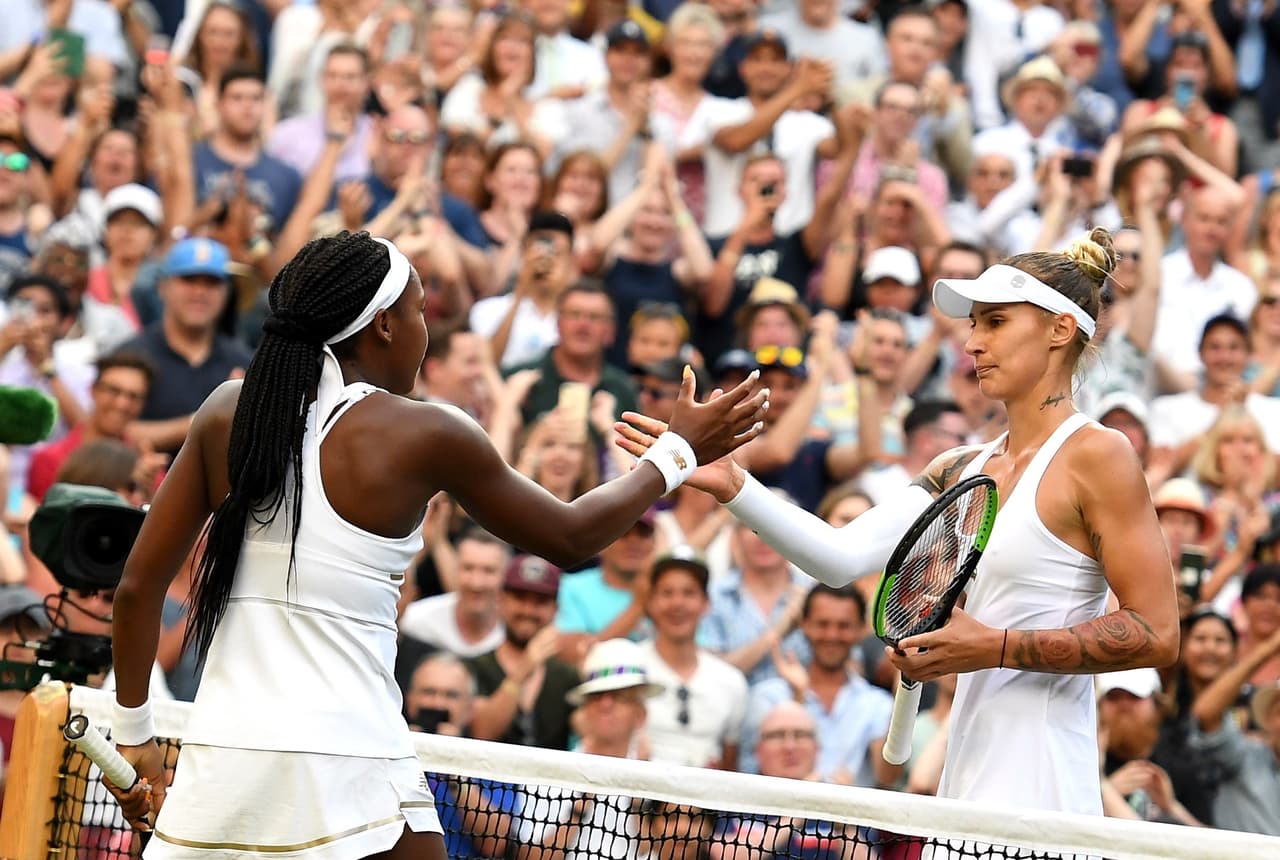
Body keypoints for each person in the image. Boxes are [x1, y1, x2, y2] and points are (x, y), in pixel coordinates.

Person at [107, 230, 768, 855]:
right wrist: (677, 453)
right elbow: (571, 537)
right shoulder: (425, 432)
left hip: (223, 761)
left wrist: (134, 733)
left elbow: (136, 591)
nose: (427, 335)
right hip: (352, 763)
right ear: (385, 324)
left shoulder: (224, 411)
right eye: (423, 312)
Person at [618, 227, 1180, 816]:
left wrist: (995, 646)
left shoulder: (1100, 454)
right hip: (962, 789)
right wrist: (736, 486)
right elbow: (836, 558)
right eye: (973, 325)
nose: (971, 343)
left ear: (1060, 330)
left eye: (995, 322)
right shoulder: (957, 465)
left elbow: (1157, 632)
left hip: (1046, 796)